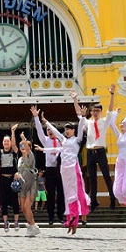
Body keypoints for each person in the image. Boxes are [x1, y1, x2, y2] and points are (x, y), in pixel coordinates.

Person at [35, 95, 89, 235]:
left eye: (69, 128)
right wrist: (46, 122)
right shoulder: (63, 140)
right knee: (67, 194)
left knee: (76, 193)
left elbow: (82, 127)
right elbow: (56, 134)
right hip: (64, 170)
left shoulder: (77, 140)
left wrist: (82, 117)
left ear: (74, 130)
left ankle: (79, 216)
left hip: (73, 168)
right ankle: (70, 219)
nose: (66, 130)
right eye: (65, 128)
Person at [78, 84, 118, 212]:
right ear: (91, 112)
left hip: (100, 151)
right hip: (90, 152)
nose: (95, 113)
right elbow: (79, 113)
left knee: (106, 176)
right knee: (92, 177)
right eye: (93, 111)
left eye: (97, 111)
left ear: (100, 112)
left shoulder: (104, 121)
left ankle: (112, 198)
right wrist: (74, 99)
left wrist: (111, 94)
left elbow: (111, 110)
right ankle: (94, 200)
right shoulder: (88, 122)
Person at [33, 108, 65, 225]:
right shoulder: (46, 140)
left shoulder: (62, 140)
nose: (49, 132)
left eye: (51, 129)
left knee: (61, 193)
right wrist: (36, 117)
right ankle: (50, 217)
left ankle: (60, 215)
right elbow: (39, 132)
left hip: (60, 169)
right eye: (47, 130)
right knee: (50, 194)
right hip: (50, 170)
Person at [0, 123, 20, 232]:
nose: (6, 143)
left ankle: (16, 222)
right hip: (3, 179)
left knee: (14, 201)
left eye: (7, 141)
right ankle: (5, 222)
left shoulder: (14, 152)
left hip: (12, 179)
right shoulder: (0, 152)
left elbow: (14, 145)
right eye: (4, 141)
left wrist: (13, 132)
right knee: (3, 201)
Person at [17, 129, 39, 236]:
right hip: (22, 185)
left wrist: (23, 139)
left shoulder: (31, 156)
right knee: (23, 208)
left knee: (27, 206)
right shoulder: (20, 159)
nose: (22, 147)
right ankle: (31, 225)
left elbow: (26, 146)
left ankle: (33, 225)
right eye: (21, 146)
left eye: (24, 146)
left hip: (31, 184)